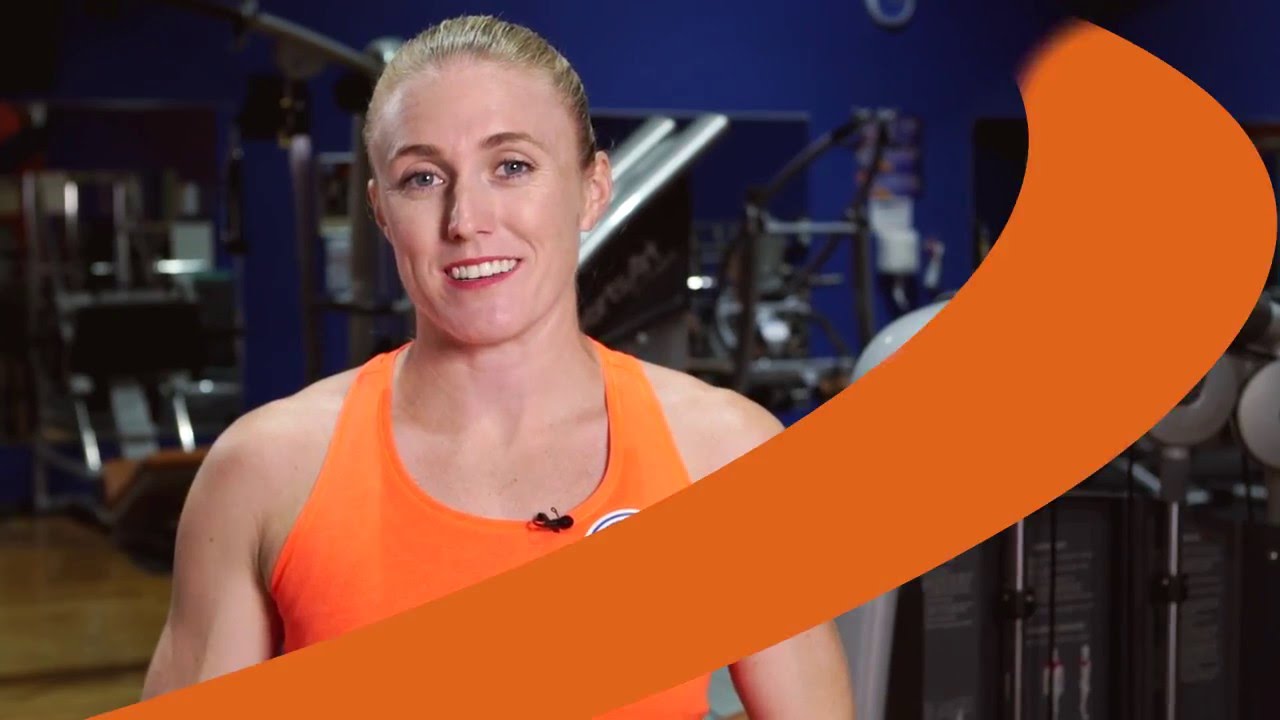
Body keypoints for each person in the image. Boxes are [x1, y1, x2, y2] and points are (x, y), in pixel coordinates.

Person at [140, 14, 855, 718]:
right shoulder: (266, 471)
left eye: (512, 166)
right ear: (381, 211)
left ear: (593, 189)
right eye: (422, 178)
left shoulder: (724, 454)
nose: (466, 220)